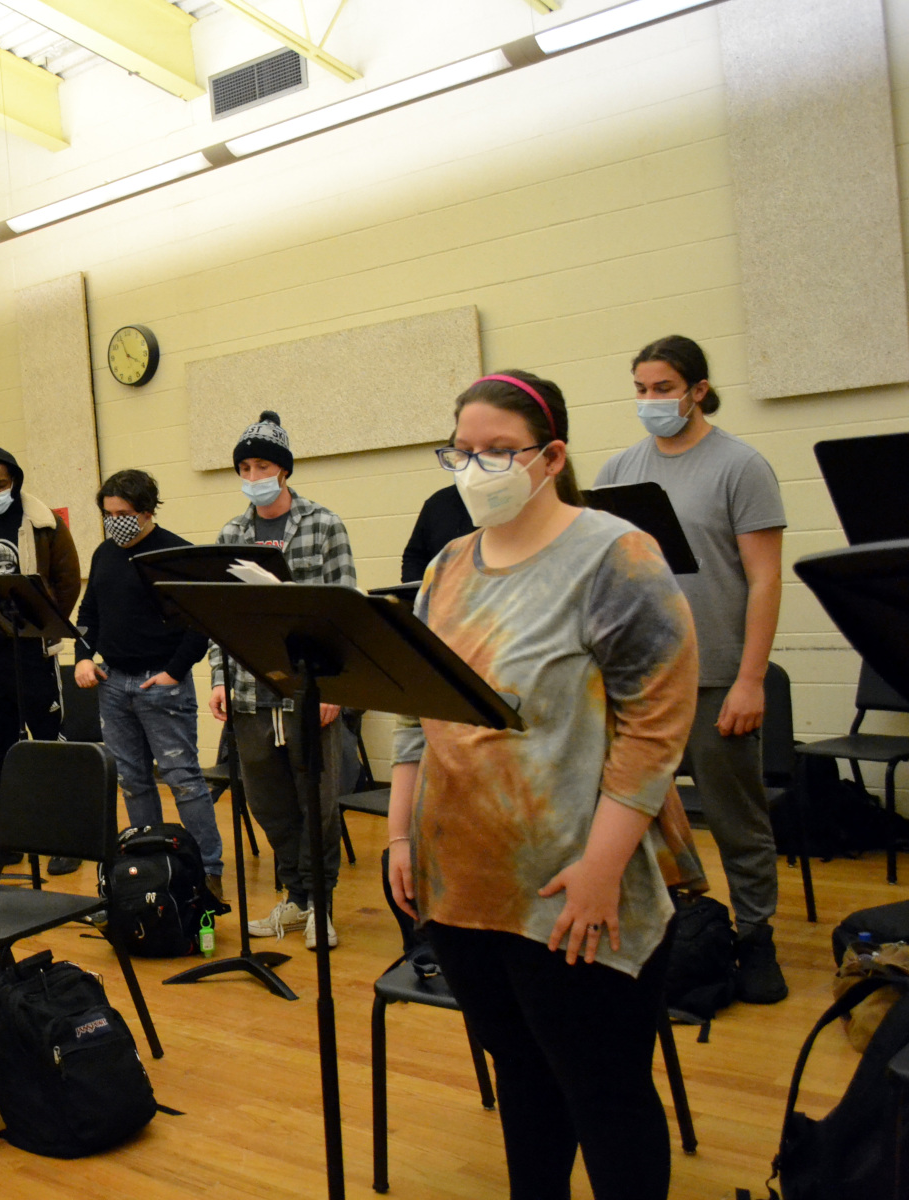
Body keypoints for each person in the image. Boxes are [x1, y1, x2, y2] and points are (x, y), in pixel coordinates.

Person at [388, 370, 704, 1200]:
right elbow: (417, 716)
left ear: (551, 455)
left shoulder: (615, 553)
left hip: (576, 885)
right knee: (523, 1079)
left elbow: (654, 729)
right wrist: (398, 835)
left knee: (604, 1094)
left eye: (498, 451)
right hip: (465, 883)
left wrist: (601, 871)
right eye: (462, 452)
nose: (475, 468)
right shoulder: (448, 565)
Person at [596, 334, 789, 1004]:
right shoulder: (621, 470)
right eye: (642, 390)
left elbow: (764, 580)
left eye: (663, 389)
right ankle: (669, 935)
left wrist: (750, 679)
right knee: (634, 811)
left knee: (737, 816)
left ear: (697, 390)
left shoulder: (741, 465)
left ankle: (757, 936)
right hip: (643, 676)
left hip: (716, 674)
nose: (651, 402)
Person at [208, 410, 359, 948]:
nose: (254, 475)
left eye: (263, 465)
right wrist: (217, 677)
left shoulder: (323, 525)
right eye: (245, 467)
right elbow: (220, 614)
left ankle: (322, 903)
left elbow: (346, 608)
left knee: (315, 801)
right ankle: (295, 898)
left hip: (308, 691)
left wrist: (336, 691)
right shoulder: (232, 532)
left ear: (285, 470)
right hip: (249, 691)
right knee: (269, 803)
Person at [72, 469, 223, 899]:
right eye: (107, 513)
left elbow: (201, 622)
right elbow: (90, 615)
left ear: (147, 511)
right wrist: (83, 656)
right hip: (114, 682)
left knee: (183, 779)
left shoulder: (176, 553)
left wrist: (174, 671)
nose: (113, 520)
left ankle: (208, 871)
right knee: (133, 781)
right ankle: (151, 863)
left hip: (163, 683)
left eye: (123, 513)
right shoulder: (105, 553)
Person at [0, 445, 81, 871]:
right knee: (0, 747)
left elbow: (68, 578)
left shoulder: (44, 524)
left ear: (15, 482)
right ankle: (9, 838)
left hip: (34, 648)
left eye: (1, 484)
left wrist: (45, 621)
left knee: (46, 741)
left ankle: (64, 838)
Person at [401, 483, 475, 583]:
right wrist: (418, 593)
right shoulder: (438, 502)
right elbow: (415, 556)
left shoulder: (500, 504)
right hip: (441, 593)